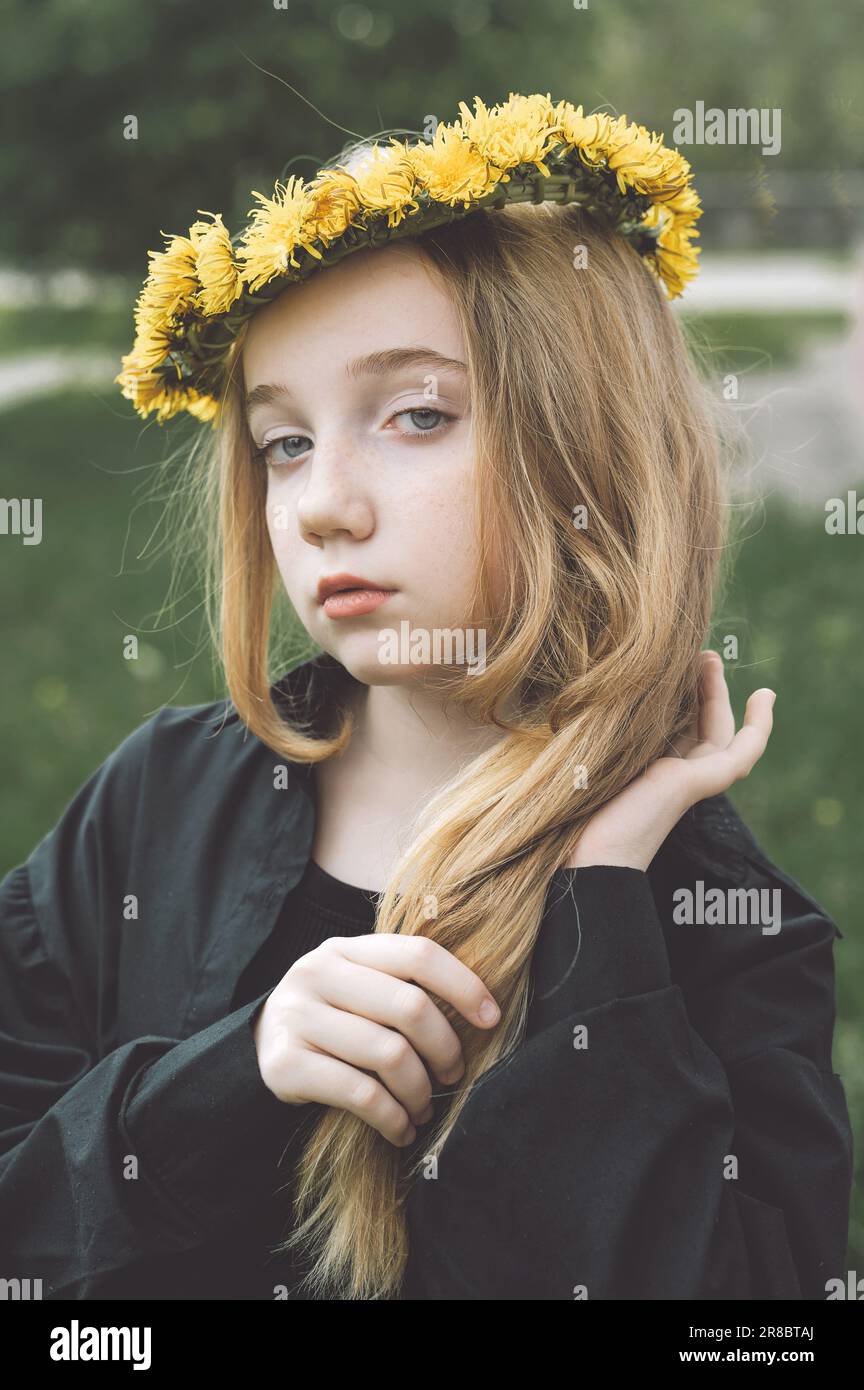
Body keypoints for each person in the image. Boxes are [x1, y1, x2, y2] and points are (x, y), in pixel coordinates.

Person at [0, 94, 853, 1301]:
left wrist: (593, 900)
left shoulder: (713, 915)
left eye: (415, 415)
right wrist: (225, 1078)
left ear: (584, 445)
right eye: (283, 442)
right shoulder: (155, 804)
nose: (318, 504)